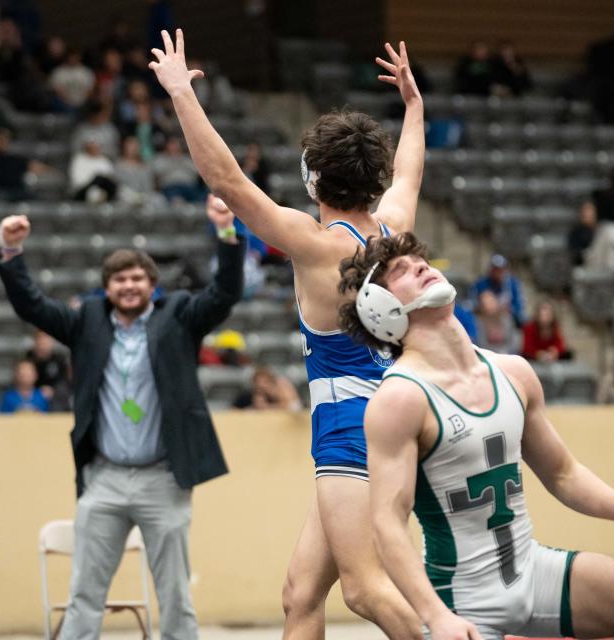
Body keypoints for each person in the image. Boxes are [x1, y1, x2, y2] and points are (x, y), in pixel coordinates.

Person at [151, 29, 426, 638]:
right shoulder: (392, 226)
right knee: (300, 595)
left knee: (363, 589)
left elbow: (227, 183)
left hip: (349, 427)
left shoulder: (316, 243)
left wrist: (179, 94)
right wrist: (413, 107)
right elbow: (408, 174)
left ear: (313, 180)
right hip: (395, 412)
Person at [336, 232, 614, 640]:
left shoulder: (512, 372)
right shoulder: (400, 399)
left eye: (419, 260)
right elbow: (388, 524)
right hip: (461, 599)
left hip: (533, 570)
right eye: (401, 270)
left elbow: (563, 473)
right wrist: (435, 615)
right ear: (382, 309)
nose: (421, 266)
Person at [0, 193, 245, 640]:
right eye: (118, 280)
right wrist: (12, 252)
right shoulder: (86, 319)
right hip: (104, 479)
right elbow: (32, 306)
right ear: (106, 288)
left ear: (152, 284)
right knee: (85, 593)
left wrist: (226, 232)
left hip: (163, 479)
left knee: (174, 595)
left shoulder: (180, 315)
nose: (128, 286)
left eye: (136, 278)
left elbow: (225, 292)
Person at [470, 254, 525, 327]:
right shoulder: (480, 283)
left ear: (505, 270)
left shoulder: (513, 284)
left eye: (500, 270)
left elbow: (519, 307)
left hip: (506, 320)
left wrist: (505, 308)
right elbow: (470, 303)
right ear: (491, 269)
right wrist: (483, 307)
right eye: (495, 269)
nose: (497, 273)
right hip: (484, 319)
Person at [25, 328, 72, 411]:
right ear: (35, 342)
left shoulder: (58, 359)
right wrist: (37, 392)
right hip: (34, 394)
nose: (43, 345)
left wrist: (53, 390)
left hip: (55, 395)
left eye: (45, 342)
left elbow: (64, 381)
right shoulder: (29, 358)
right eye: (40, 341)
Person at [233, 366, 303, 411]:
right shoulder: (246, 396)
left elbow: (295, 406)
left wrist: (267, 407)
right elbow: (233, 411)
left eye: (265, 382)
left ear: (271, 382)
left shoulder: (277, 394)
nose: (261, 385)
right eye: (258, 382)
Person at [473, 290, 520, 355]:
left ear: (496, 302)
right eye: (484, 303)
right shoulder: (477, 321)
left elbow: (514, 339)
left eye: (490, 302)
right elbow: (480, 342)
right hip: (488, 354)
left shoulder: (506, 318)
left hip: (508, 353)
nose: (488, 306)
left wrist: (506, 352)